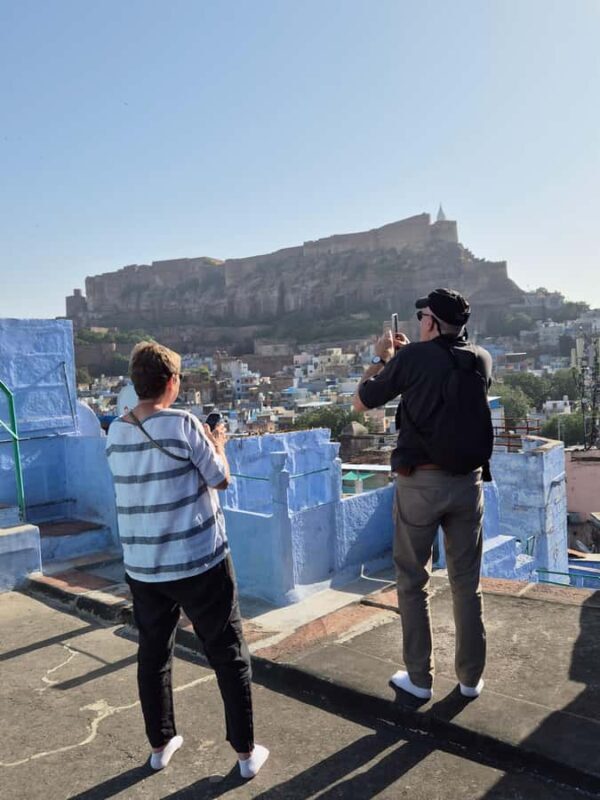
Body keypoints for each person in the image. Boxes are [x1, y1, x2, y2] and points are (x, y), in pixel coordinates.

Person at [106, 341, 268, 778]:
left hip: (143, 567)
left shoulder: (116, 431)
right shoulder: (183, 423)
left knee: (153, 654)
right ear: (172, 383)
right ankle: (245, 754)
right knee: (227, 652)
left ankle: (160, 745)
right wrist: (217, 442)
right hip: (199, 563)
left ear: (135, 383)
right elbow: (221, 479)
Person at [353, 289, 492, 701]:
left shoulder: (410, 360)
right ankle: (470, 679)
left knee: (413, 580)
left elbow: (362, 402)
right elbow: (445, 378)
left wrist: (383, 359)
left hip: (421, 484)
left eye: (421, 315)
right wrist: (410, 359)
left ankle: (420, 678)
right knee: (468, 583)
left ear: (430, 321)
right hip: (468, 484)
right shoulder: (482, 358)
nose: (417, 321)